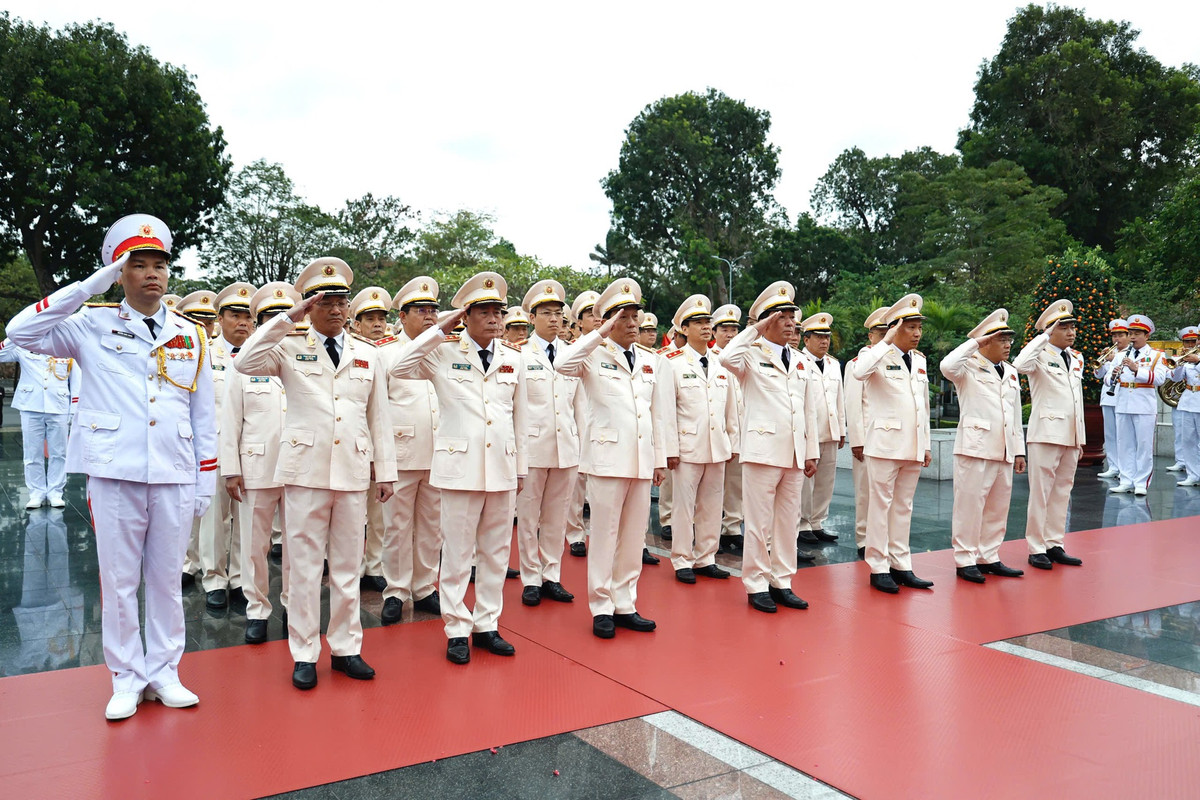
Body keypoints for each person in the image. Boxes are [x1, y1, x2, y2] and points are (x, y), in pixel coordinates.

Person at [7, 213, 216, 720]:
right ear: (118, 274)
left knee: (165, 580)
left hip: (173, 469)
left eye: (159, 266)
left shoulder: (191, 334)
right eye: (136, 265)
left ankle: (164, 672)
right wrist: (89, 286)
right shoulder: (88, 323)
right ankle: (126, 676)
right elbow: (20, 330)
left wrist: (204, 478)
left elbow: (203, 413)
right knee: (119, 579)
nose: (151, 274)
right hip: (114, 468)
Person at [235, 257, 397, 690]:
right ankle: (304, 652)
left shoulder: (368, 354)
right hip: (305, 471)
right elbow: (244, 361)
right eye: (324, 301)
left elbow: (377, 415)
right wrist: (288, 318)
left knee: (347, 567)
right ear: (309, 305)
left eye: (341, 300)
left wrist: (386, 471)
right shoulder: (288, 345)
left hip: (351, 471)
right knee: (304, 569)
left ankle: (346, 648)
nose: (335, 309)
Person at [391, 272, 527, 664]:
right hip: (459, 467)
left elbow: (518, 417)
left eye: (497, 311)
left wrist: (521, 468)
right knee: (455, 553)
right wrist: (440, 328)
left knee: (496, 552)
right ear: (465, 317)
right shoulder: (443, 351)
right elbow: (400, 367)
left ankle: (487, 624)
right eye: (482, 311)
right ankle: (456, 628)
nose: (493, 318)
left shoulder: (513, 358)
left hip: (500, 466)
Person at [556, 278, 674, 638]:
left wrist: (659, 459)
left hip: (640, 460)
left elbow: (658, 414)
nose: (634, 324)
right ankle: (602, 605)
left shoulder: (651, 361)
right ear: (608, 322)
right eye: (625, 317)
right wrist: (599, 333)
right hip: (607, 460)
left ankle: (626, 602)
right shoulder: (592, 355)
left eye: (636, 316)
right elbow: (562, 364)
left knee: (633, 535)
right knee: (605, 536)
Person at [718, 281, 820, 612]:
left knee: (788, 521)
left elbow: (808, 408)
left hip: (793, 453)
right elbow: (725, 356)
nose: (791, 322)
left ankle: (782, 580)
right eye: (782, 316)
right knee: (759, 523)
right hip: (762, 451)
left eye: (792, 315)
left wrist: (811, 450)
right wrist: (755, 330)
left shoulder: (801, 360)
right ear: (766, 321)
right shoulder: (749, 354)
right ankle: (756, 583)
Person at [222, 282, 298, 644]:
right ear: (259, 323)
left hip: (301, 468)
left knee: (299, 545)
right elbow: (230, 421)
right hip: (257, 468)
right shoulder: (243, 365)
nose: (276, 326)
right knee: (255, 545)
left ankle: (294, 607)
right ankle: (257, 609)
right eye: (268, 319)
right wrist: (230, 469)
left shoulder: (304, 360)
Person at [851, 294, 933, 594]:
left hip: (911, 446)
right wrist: (884, 342)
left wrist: (925, 445)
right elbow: (859, 373)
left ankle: (901, 564)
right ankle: (878, 566)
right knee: (880, 507)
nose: (916, 333)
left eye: (918, 328)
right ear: (894, 328)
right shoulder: (874, 355)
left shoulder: (919, 360)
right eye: (910, 327)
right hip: (884, 445)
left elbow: (922, 406)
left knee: (903, 508)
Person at [374, 278, 444, 623]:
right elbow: (378, 410)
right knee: (397, 527)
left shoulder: (447, 348)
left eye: (433, 310)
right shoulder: (385, 352)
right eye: (421, 311)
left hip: (441, 453)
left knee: (433, 525)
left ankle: (426, 587)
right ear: (402, 316)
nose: (430, 317)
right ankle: (396, 589)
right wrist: (380, 462)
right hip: (401, 454)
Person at [940, 310, 1026, 583]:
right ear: (986, 341)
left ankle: (989, 556)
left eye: (1008, 339)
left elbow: (1015, 414)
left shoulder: (1011, 371)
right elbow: (946, 365)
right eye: (1001, 339)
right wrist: (975, 342)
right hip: (975, 447)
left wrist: (1019, 449)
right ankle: (965, 559)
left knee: (998, 507)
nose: (1007, 344)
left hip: (1003, 448)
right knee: (970, 506)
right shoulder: (967, 367)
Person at [662, 295, 739, 583]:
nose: (706, 327)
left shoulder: (722, 362)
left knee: (712, 505)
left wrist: (732, 442)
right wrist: (670, 449)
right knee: (684, 508)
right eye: (699, 322)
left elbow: (731, 409)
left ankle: (706, 557)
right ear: (684, 328)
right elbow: (667, 410)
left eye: (708, 322)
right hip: (687, 447)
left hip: (717, 445)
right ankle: (682, 559)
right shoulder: (672, 362)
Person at [515, 280, 583, 606]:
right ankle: (530, 577)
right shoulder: (518, 355)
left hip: (565, 447)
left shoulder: (573, 355)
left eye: (559, 313)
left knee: (556, 518)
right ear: (532, 317)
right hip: (532, 447)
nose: (554, 319)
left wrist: (581, 445)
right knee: (528, 518)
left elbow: (580, 406)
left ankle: (551, 574)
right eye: (546, 313)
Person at [1012, 300, 1086, 569]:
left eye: (1072, 327)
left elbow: (1076, 399)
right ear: (1050, 330)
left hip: (1070, 435)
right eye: (1063, 327)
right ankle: (1036, 547)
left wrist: (1081, 438)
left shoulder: (1076, 357)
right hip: (1045, 433)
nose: (1071, 332)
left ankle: (1055, 543)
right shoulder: (1039, 355)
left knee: (1062, 492)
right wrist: (1042, 336)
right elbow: (1019, 364)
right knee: (1041, 493)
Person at [198, 282, 256, 610]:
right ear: (220, 318)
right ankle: (214, 578)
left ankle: (240, 578)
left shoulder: (264, 352)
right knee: (213, 518)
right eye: (235, 315)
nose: (243, 322)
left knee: (246, 519)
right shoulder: (204, 353)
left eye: (248, 316)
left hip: (252, 450)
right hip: (215, 448)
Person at [348, 286, 393, 594]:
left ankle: (374, 565)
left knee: (378, 514)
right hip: (350, 442)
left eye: (381, 319)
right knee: (349, 515)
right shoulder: (350, 350)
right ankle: (347, 565)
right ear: (357, 323)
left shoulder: (391, 352)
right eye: (370, 319)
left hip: (383, 442)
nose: (377, 324)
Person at [0, 340, 80, 508]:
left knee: (59, 453)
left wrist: (74, 407)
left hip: (58, 406)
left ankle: (55, 493)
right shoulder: (24, 345)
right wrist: (15, 336)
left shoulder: (66, 345)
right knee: (31, 452)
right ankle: (36, 493)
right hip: (30, 405)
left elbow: (76, 378)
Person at [177, 290, 218, 586]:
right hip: (185, 441)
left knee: (216, 518)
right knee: (190, 514)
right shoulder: (183, 352)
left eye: (208, 321)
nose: (204, 327)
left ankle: (210, 565)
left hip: (216, 441)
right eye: (196, 321)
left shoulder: (220, 353)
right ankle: (186, 562)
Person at [797, 313, 844, 546]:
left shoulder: (834, 364)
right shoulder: (798, 361)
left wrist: (842, 429)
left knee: (826, 480)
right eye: (818, 337)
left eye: (826, 337)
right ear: (806, 340)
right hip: (808, 432)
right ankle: (802, 523)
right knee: (807, 482)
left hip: (830, 429)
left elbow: (839, 399)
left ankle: (817, 522)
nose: (824, 341)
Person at [1109, 315, 1170, 495]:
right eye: (1131, 333)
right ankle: (1126, 480)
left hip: (1144, 405)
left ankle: (1141, 482)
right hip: (1123, 403)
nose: (1133, 337)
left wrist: (1137, 370)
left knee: (1144, 445)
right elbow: (1106, 379)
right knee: (1124, 443)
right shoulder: (1120, 355)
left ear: (1146, 336)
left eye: (1137, 334)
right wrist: (1112, 375)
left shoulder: (1156, 355)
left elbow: (1160, 379)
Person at [845, 307, 888, 559]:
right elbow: (853, 403)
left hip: (888, 439)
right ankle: (863, 538)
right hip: (868, 439)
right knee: (865, 492)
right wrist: (857, 440)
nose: (884, 337)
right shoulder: (857, 364)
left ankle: (882, 539)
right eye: (879, 333)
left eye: (888, 332)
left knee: (885, 495)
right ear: (870, 336)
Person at [565, 290, 601, 558]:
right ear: (579, 323)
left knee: (603, 492)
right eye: (590, 314)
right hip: (579, 428)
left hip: (607, 432)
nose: (597, 319)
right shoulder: (572, 352)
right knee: (576, 489)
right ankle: (575, 534)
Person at [709, 304, 745, 555]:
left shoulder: (746, 357)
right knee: (713, 487)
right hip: (716, 432)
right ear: (714, 332)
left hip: (744, 429)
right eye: (725, 329)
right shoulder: (710, 358)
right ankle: (709, 531)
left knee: (736, 483)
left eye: (734, 329)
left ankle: (732, 528)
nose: (731, 334)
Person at [1095, 318, 1130, 480]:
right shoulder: (1110, 353)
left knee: (1123, 435)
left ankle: (1125, 468)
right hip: (1108, 399)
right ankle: (1113, 466)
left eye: (1120, 335)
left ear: (1128, 336)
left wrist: (1114, 358)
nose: (1116, 339)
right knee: (1110, 434)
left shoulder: (1131, 352)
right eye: (1114, 336)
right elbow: (1099, 375)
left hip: (1123, 399)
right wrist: (1102, 363)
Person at [1172, 326, 1200, 488]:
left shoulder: (1196, 358)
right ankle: (1193, 474)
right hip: (1189, 401)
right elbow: (1176, 378)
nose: (1197, 342)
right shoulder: (1190, 356)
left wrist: (1197, 361)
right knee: (1188, 440)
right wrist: (1179, 363)